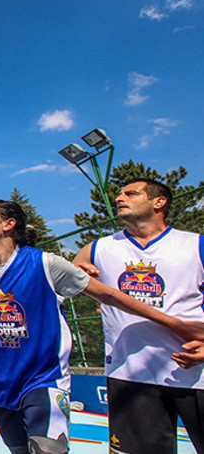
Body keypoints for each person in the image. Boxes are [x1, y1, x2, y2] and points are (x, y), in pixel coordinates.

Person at [0, 199, 204, 454]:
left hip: (43, 377)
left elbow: (108, 294)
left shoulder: (45, 264)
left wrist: (174, 323)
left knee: (48, 448)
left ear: (9, 224)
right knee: (19, 450)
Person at [73, 178, 204, 453]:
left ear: (159, 202)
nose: (119, 198)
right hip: (130, 375)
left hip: (195, 372)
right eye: (119, 194)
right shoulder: (99, 248)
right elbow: (73, 275)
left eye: (131, 193)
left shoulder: (195, 245)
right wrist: (80, 270)